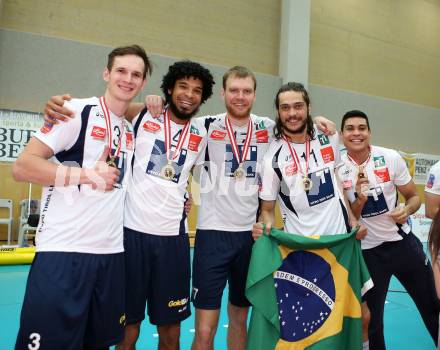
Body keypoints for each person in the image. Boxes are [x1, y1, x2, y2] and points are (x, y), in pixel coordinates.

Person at [143, 70, 335, 350]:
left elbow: (299, 125)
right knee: (205, 329)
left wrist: (317, 121)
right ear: (223, 93)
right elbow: (168, 125)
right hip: (212, 237)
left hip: (252, 238)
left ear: (255, 95)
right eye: (234, 90)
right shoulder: (204, 125)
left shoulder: (270, 128)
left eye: (246, 91)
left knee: (239, 319)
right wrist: (152, 103)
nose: (240, 97)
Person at [42, 60, 215, 350]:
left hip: (173, 241)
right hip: (130, 237)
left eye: (197, 90)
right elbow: (111, 107)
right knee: (128, 328)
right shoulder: (142, 114)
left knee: (171, 331)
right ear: (169, 88)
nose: (189, 94)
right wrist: (55, 105)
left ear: (203, 97)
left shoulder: (202, 133)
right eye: (183, 86)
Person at [12, 45, 150, 350]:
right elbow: (23, 167)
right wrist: (86, 175)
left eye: (136, 75)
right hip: (64, 254)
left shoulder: (128, 128)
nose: (127, 79)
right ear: (106, 73)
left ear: (142, 84)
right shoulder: (74, 112)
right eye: (121, 71)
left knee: (98, 344)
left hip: (111, 255)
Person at [252, 82, 370, 349]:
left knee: (360, 317)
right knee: (312, 330)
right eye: (285, 108)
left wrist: (353, 218)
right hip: (303, 253)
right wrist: (265, 229)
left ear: (308, 107)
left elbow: (338, 179)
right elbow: (267, 210)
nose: (292, 113)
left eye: (298, 106)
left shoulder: (328, 136)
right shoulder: (273, 158)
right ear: (278, 112)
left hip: (340, 245)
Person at [338, 110, 439, 349]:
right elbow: (348, 216)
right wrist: (360, 201)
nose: (356, 133)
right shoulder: (336, 167)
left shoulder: (390, 158)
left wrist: (407, 210)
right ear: (342, 135)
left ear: (369, 132)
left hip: (402, 245)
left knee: (433, 305)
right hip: (367, 253)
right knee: (372, 322)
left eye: (362, 128)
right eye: (350, 128)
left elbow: (413, 197)